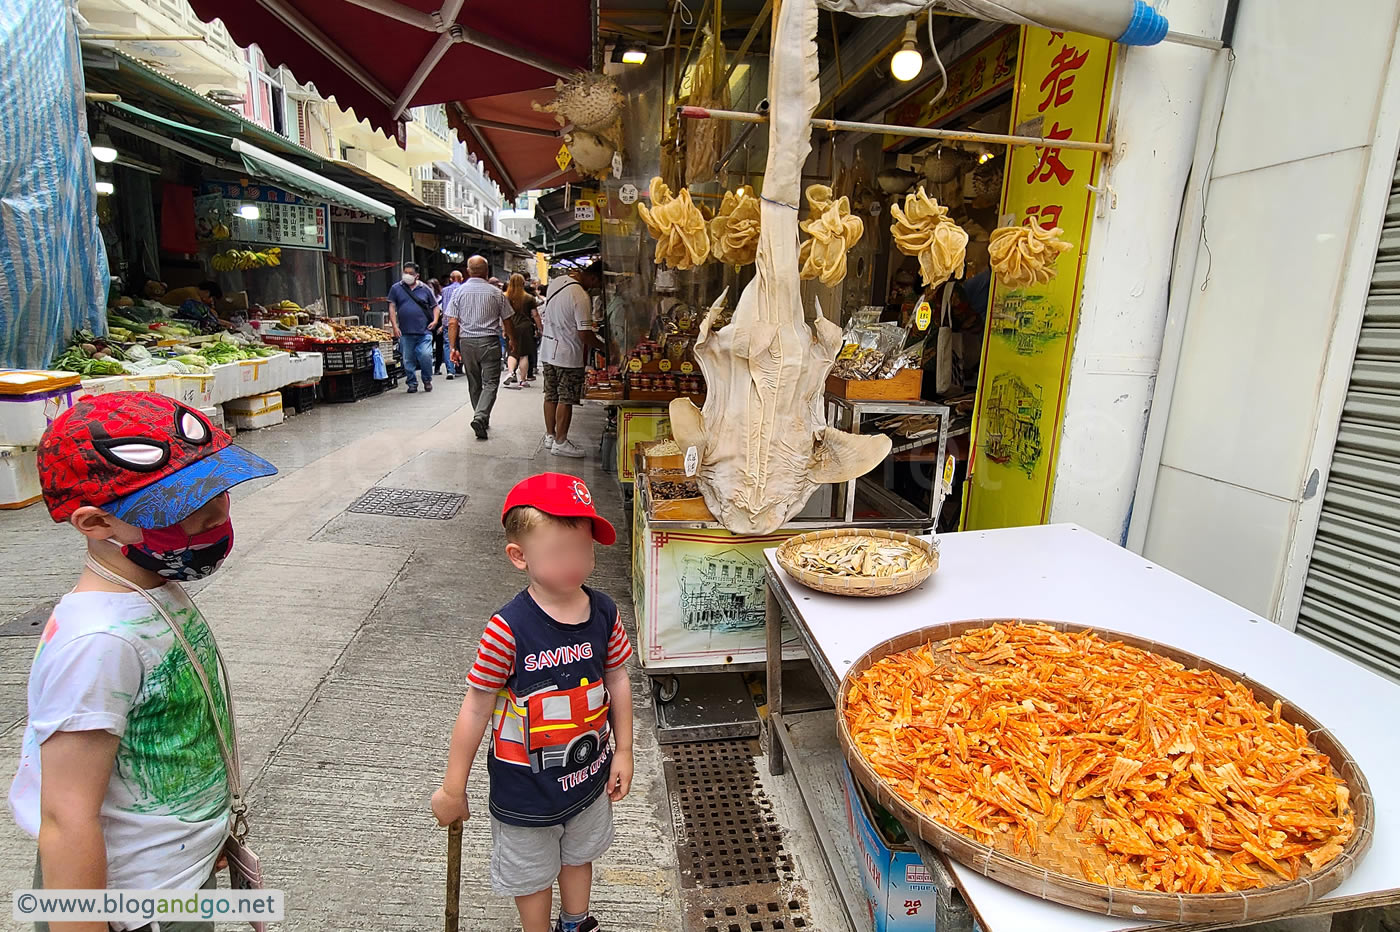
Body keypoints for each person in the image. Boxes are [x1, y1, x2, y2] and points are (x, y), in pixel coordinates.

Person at [11, 392, 278, 932]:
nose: (215, 515)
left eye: (217, 490)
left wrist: (204, 838)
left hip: (175, 873)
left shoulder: (153, 587)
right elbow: (65, 818)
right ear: (94, 523)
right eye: (181, 505)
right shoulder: (99, 642)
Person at [431, 473, 633, 932]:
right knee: (531, 875)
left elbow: (617, 678)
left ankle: (576, 922)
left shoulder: (604, 612)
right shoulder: (507, 629)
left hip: (588, 776)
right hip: (525, 791)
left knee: (580, 856)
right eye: (560, 552)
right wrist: (453, 786)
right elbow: (477, 705)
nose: (577, 563)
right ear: (519, 557)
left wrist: (623, 750)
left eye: (584, 549)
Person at [539, 261, 605, 459]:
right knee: (566, 398)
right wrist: (604, 347)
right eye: (597, 283)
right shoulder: (581, 296)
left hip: (548, 349)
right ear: (593, 277)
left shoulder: (557, 282)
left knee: (550, 394)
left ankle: (550, 435)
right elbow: (585, 334)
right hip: (568, 354)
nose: (595, 288)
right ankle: (561, 441)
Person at [445, 255, 515, 440]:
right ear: (486, 271)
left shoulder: (458, 292)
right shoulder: (496, 293)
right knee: (491, 383)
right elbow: (508, 320)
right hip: (489, 342)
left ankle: (480, 415)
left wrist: (453, 347)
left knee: (474, 382)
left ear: (468, 271)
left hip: (466, 343)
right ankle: (481, 416)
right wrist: (511, 339)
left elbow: (453, 322)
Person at [388, 261, 441, 395]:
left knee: (426, 355)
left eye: (411, 273)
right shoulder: (396, 288)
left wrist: (435, 320)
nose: (407, 275)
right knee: (407, 359)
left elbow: (435, 306)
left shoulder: (425, 289)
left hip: (424, 331)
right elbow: (392, 307)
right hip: (406, 332)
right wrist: (394, 326)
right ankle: (412, 383)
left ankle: (427, 379)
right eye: (405, 273)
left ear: (417, 275)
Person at [503, 273, 539, 390]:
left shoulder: (505, 297)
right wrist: (539, 328)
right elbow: (535, 315)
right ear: (523, 283)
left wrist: (504, 329)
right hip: (525, 327)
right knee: (524, 355)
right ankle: (523, 380)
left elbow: (503, 316)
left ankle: (511, 372)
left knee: (512, 352)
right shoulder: (529, 298)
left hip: (510, 326)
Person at [440, 269, 466, 379]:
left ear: (450, 279)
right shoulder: (463, 289)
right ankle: (459, 367)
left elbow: (444, 306)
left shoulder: (444, 291)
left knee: (448, 345)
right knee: (461, 344)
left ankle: (450, 370)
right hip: (461, 322)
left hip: (447, 321)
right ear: (462, 279)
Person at [427, 277, 446, 375]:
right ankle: (428, 367)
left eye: (431, 287)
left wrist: (442, 325)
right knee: (427, 347)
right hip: (428, 324)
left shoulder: (441, 298)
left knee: (439, 347)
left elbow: (445, 312)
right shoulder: (426, 299)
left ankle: (437, 367)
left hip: (439, 323)